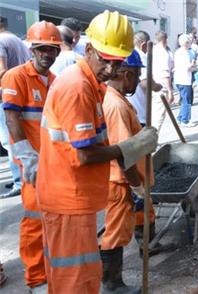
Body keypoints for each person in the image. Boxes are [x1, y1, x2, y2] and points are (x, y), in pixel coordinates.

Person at [37, 11, 158, 292]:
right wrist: (131, 147)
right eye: (105, 60)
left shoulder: (93, 86)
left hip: (75, 196)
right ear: (89, 49)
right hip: (66, 198)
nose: (111, 70)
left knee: (82, 276)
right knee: (76, 281)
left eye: (117, 63)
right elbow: (85, 154)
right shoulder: (77, 86)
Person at [2, 20, 61, 293]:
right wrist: (27, 157)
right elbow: (12, 117)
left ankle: (48, 271)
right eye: (41, 49)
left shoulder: (54, 81)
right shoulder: (16, 77)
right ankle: (36, 278)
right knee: (35, 221)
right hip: (33, 164)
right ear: (32, 49)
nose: (46, 54)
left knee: (50, 220)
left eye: (52, 49)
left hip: (52, 163)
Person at [101, 50, 147, 294]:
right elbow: (123, 153)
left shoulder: (118, 97)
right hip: (119, 181)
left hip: (120, 179)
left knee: (117, 230)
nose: (138, 82)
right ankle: (112, 284)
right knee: (115, 233)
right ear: (127, 73)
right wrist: (135, 186)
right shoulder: (116, 104)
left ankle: (111, 282)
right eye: (137, 76)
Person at [0, 16, 30, 199]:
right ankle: (21, 177)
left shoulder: (0, 41)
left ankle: (20, 180)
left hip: (6, 94)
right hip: (21, 93)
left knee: (8, 140)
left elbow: (1, 70)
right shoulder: (17, 40)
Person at [152, 31, 175, 129]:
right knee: (159, 116)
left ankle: (152, 139)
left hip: (153, 84)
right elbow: (165, 73)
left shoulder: (153, 50)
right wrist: (170, 91)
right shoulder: (163, 53)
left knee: (154, 114)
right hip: (161, 86)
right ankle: (153, 140)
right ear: (165, 39)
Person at [174, 34, 198, 127]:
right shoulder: (185, 53)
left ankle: (180, 118)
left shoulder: (178, 52)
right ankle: (185, 120)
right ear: (185, 43)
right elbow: (188, 67)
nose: (190, 44)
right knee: (187, 101)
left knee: (184, 99)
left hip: (179, 79)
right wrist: (193, 65)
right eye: (188, 42)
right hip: (185, 79)